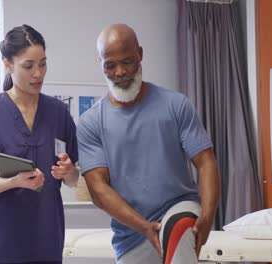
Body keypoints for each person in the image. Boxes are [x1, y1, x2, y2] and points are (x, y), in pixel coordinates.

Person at [76, 24, 220, 264]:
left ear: (140, 55)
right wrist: (143, 227)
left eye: (128, 62)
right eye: (110, 66)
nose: (120, 72)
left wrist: (207, 215)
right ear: (101, 64)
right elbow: (98, 191)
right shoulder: (91, 123)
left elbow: (205, 162)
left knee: (177, 225)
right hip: (131, 233)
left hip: (178, 208)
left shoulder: (176, 105)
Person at [0, 24, 79, 264]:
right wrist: (14, 182)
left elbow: (73, 179)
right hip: (1, 241)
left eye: (43, 64)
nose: (38, 74)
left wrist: (69, 172)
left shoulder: (58, 112)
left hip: (46, 238)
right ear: (8, 65)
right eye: (29, 66)